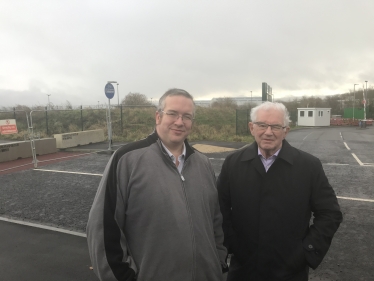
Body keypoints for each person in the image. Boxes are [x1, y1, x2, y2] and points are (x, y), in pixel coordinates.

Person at [87, 88, 227, 281]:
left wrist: (218, 262)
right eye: (172, 114)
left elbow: (216, 221)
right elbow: (103, 229)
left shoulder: (203, 163)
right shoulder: (126, 159)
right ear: (158, 116)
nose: (179, 122)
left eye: (187, 116)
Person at [217, 101, 343, 281]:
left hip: (290, 272)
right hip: (243, 270)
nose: (268, 132)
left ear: (286, 131)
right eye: (262, 125)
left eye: (276, 126)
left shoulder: (309, 166)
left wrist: (305, 252)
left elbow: (330, 213)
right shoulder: (233, 163)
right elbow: (219, 209)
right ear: (251, 127)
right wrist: (232, 245)